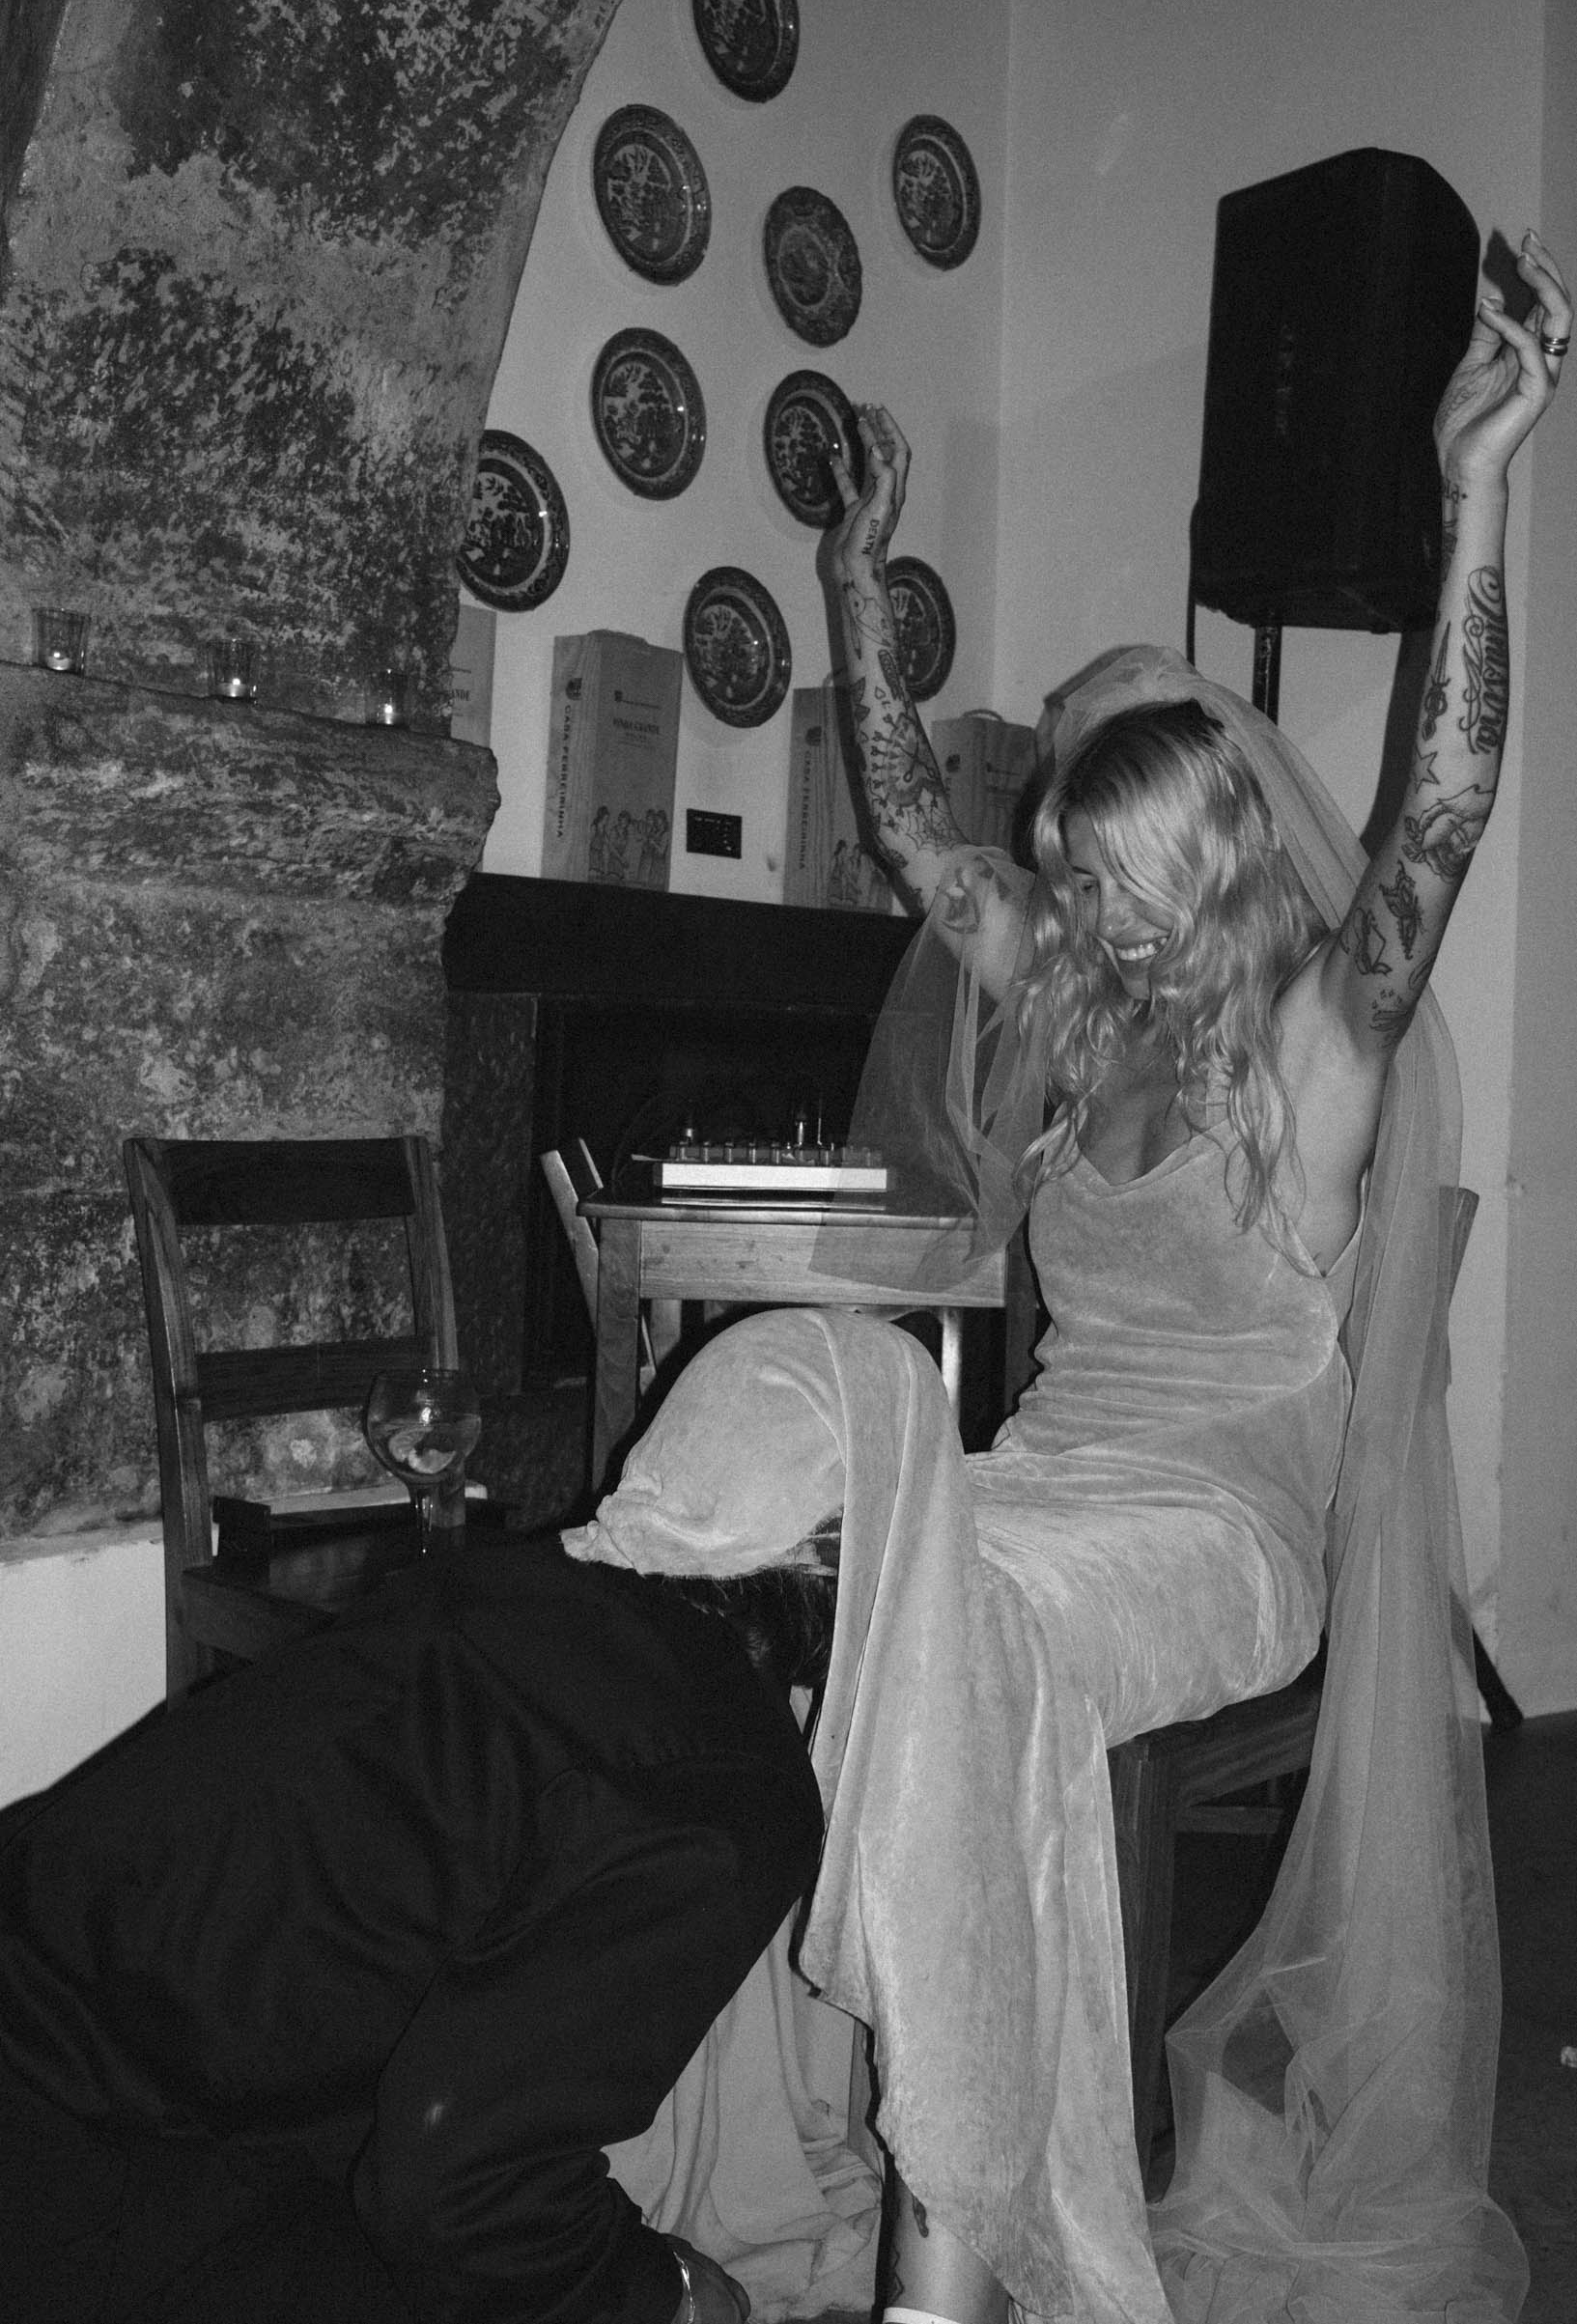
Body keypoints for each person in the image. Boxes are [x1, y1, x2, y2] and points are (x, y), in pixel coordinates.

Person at [573, 234, 1568, 2324]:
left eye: (1110, 884)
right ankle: (766, 2138)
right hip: (1039, 1477)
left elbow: (1445, 805)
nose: (1072, 918)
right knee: (799, 1589)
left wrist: (1477, 490)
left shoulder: (1316, 1046)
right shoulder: (1073, 1000)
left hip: (1216, 1528)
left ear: (1204, 859)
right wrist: (854, 572)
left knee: (964, 1635)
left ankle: (956, 2247)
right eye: (1062, 885)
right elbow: (904, 819)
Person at [0, 1533, 837, 2324]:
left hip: (68, 1992)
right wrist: (665, 2294)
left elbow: (357, 1966)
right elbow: (463, 2195)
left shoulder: (519, 1577)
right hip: (84, 2144)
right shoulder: (737, 1780)